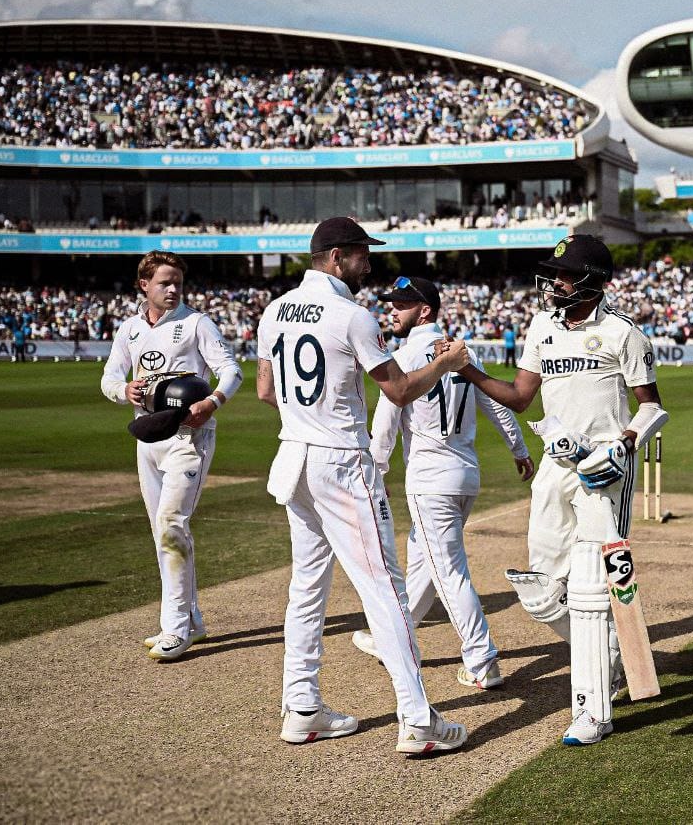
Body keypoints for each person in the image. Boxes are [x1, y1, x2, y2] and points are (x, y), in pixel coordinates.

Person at [256, 217, 471, 754]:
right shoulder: (352, 316)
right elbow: (398, 391)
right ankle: (418, 720)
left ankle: (302, 707)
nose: (368, 264)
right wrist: (444, 363)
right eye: (360, 255)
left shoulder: (272, 310)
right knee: (386, 591)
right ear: (334, 258)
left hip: (293, 456)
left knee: (307, 587)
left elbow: (264, 390)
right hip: (340, 464)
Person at [457, 234, 669, 746]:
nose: (555, 282)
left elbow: (652, 406)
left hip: (605, 470)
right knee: (539, 587)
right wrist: (469, 371)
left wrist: (624, 443)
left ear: (594, 281)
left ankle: (593, 711)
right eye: (554, 273)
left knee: (592, 588)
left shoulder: (623, 334)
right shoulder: (542, 326)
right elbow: (522, 398)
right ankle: (613, 654)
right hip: (556, 464)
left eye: (565, 274)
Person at [351, 276, 535, 691]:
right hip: (465, 477)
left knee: (448, 571)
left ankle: (481, 658)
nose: (392, 310)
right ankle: (390, 639)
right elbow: (497, 403)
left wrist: (376, 470)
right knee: (423, 559)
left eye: (401, 304)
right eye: (391, 303)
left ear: (425, 310)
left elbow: (385, 422)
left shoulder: (403, 356)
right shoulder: (459, 352)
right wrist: (519, 449)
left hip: (430, 480)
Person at [100, 250, 242, 661]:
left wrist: (212, 401)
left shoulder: (197, 323)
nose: (173, 288)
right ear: (144, 285)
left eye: (178, 281)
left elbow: (231, 370)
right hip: (148, 437)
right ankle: (191, 619)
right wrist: (122, 390)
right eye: (165, 282)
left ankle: (175, 628)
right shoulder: (129, 330)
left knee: (170, 524)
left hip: (188, 438)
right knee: (160, 530)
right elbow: (110, 376)